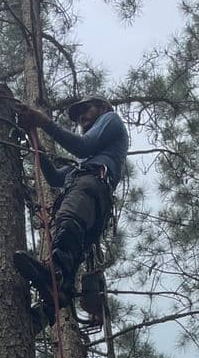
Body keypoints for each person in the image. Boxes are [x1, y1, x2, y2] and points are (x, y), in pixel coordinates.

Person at [11, 95, 129, 319]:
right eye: (79, 115)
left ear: (103, 107)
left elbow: (83, 146)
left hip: (91, 187)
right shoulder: (89, 161)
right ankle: (46, 311)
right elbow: (55, 178)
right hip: (90, 199)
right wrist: (34, 142)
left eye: (87, 110)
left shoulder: (111, 119)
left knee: (68, 221)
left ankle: (53, 275)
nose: (82, 117)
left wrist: (42, 121)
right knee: (70, 251)